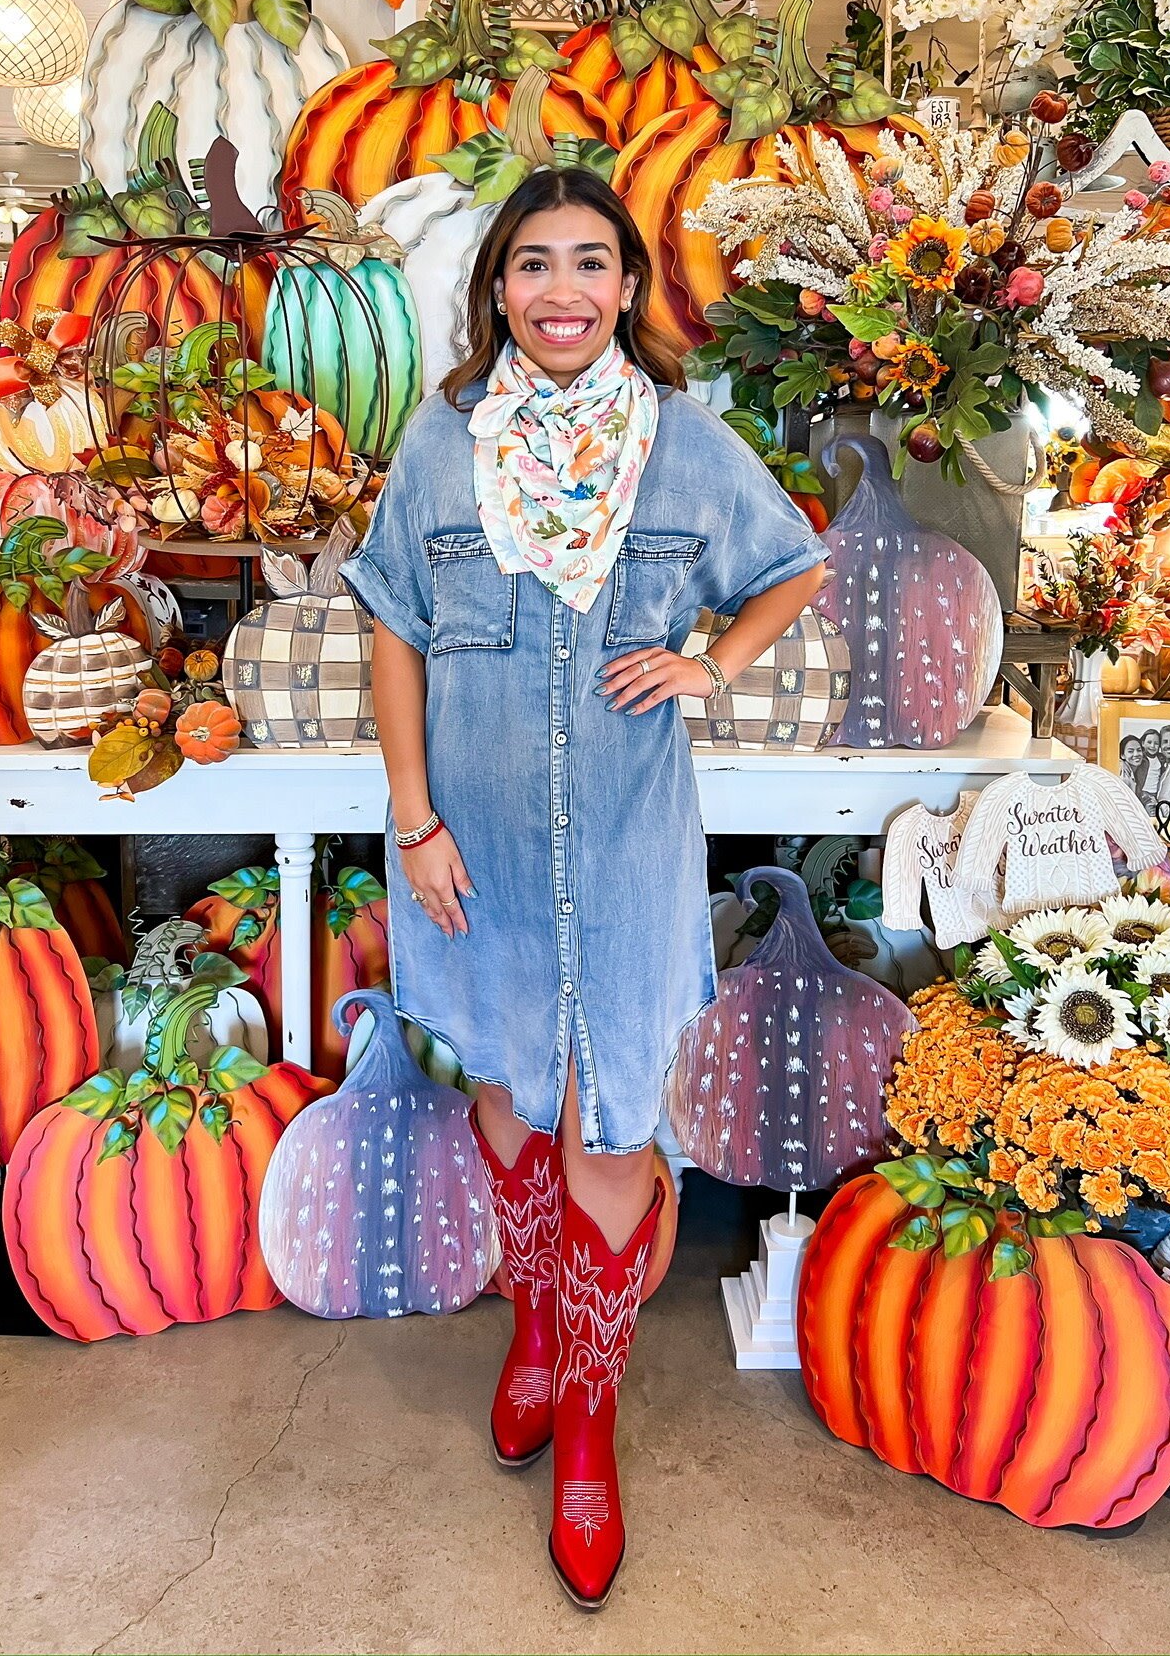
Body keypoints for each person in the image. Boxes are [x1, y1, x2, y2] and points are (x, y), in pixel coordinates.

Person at [342, 166, 829, 1609]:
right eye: (535, 263)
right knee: (506, 1075)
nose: (563, 291)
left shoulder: (684, 446)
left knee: (608, 1111)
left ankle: (592, 1422)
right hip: (472, 845)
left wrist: (714, 662)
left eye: (592, 264)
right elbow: (390, 627)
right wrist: (415, 821)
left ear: (628, 288)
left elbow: (794, 564)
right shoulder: (442, 442)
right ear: (497, 287)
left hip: (626, 846)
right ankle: (537, 1335)